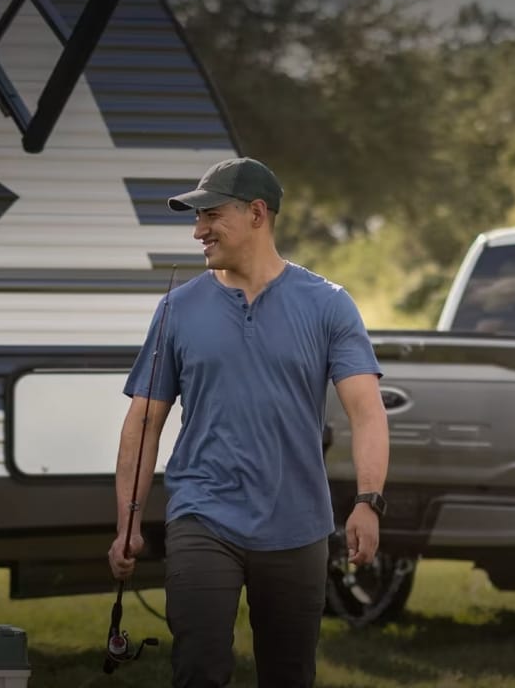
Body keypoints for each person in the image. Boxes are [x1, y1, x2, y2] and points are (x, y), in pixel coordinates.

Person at [107, 156, 390, 687]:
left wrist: (368, 502)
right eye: (197, 219)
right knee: (199, 669)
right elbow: (143, 421)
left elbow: (367, 412)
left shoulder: (328, 305)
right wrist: (128, 521)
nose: (198, 231)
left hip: (297, 523)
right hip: (203, 516)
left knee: (289, 674)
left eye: (211, 215)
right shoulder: (178, 308)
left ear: (257, 214)